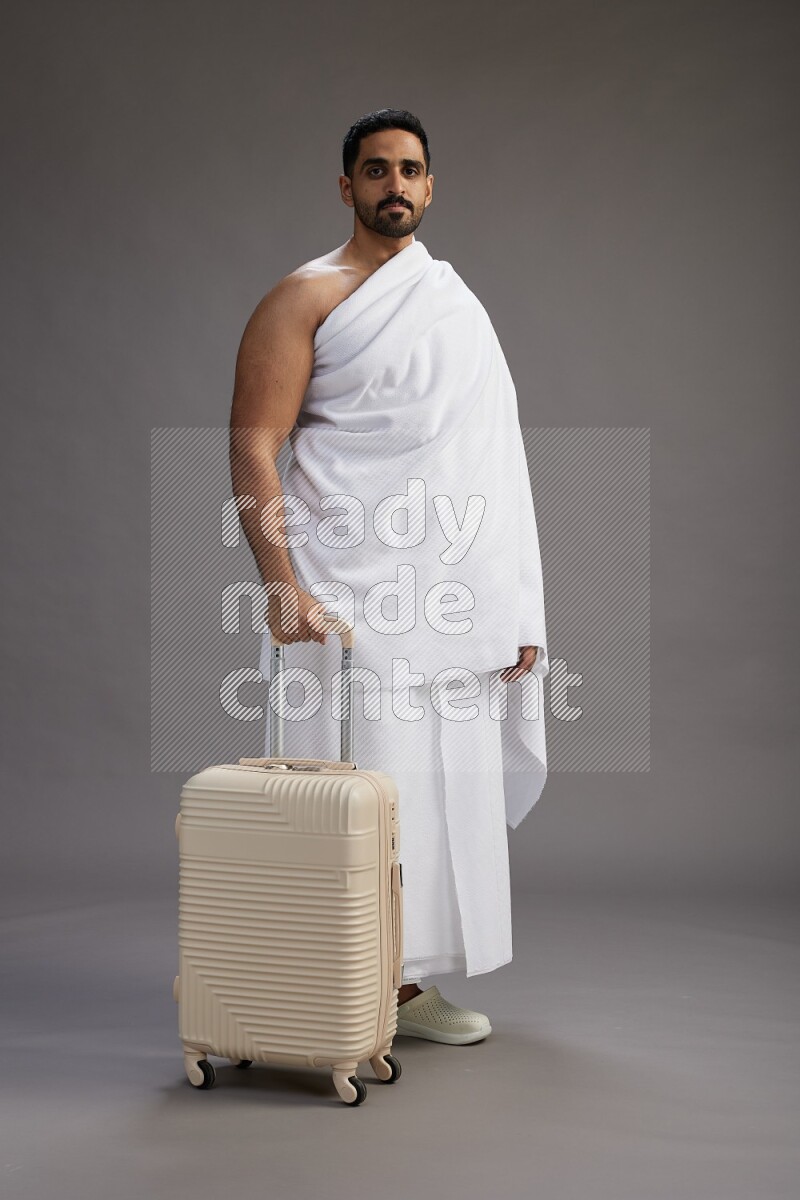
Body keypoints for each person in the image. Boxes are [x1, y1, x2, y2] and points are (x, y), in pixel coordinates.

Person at [229, 109, 549, 1045]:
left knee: (435, 798)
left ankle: (402, 987)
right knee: (347, 793)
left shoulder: (454, 303)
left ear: (430, 186)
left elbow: (494, 464)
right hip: (341, 594)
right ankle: (329, 989)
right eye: (376, 170)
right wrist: (280, 584)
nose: (394, 185)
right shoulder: (304, 297)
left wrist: (518, 606)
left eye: (410, 170)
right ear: (347, 187)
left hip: (451, 600)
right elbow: (252, 445)